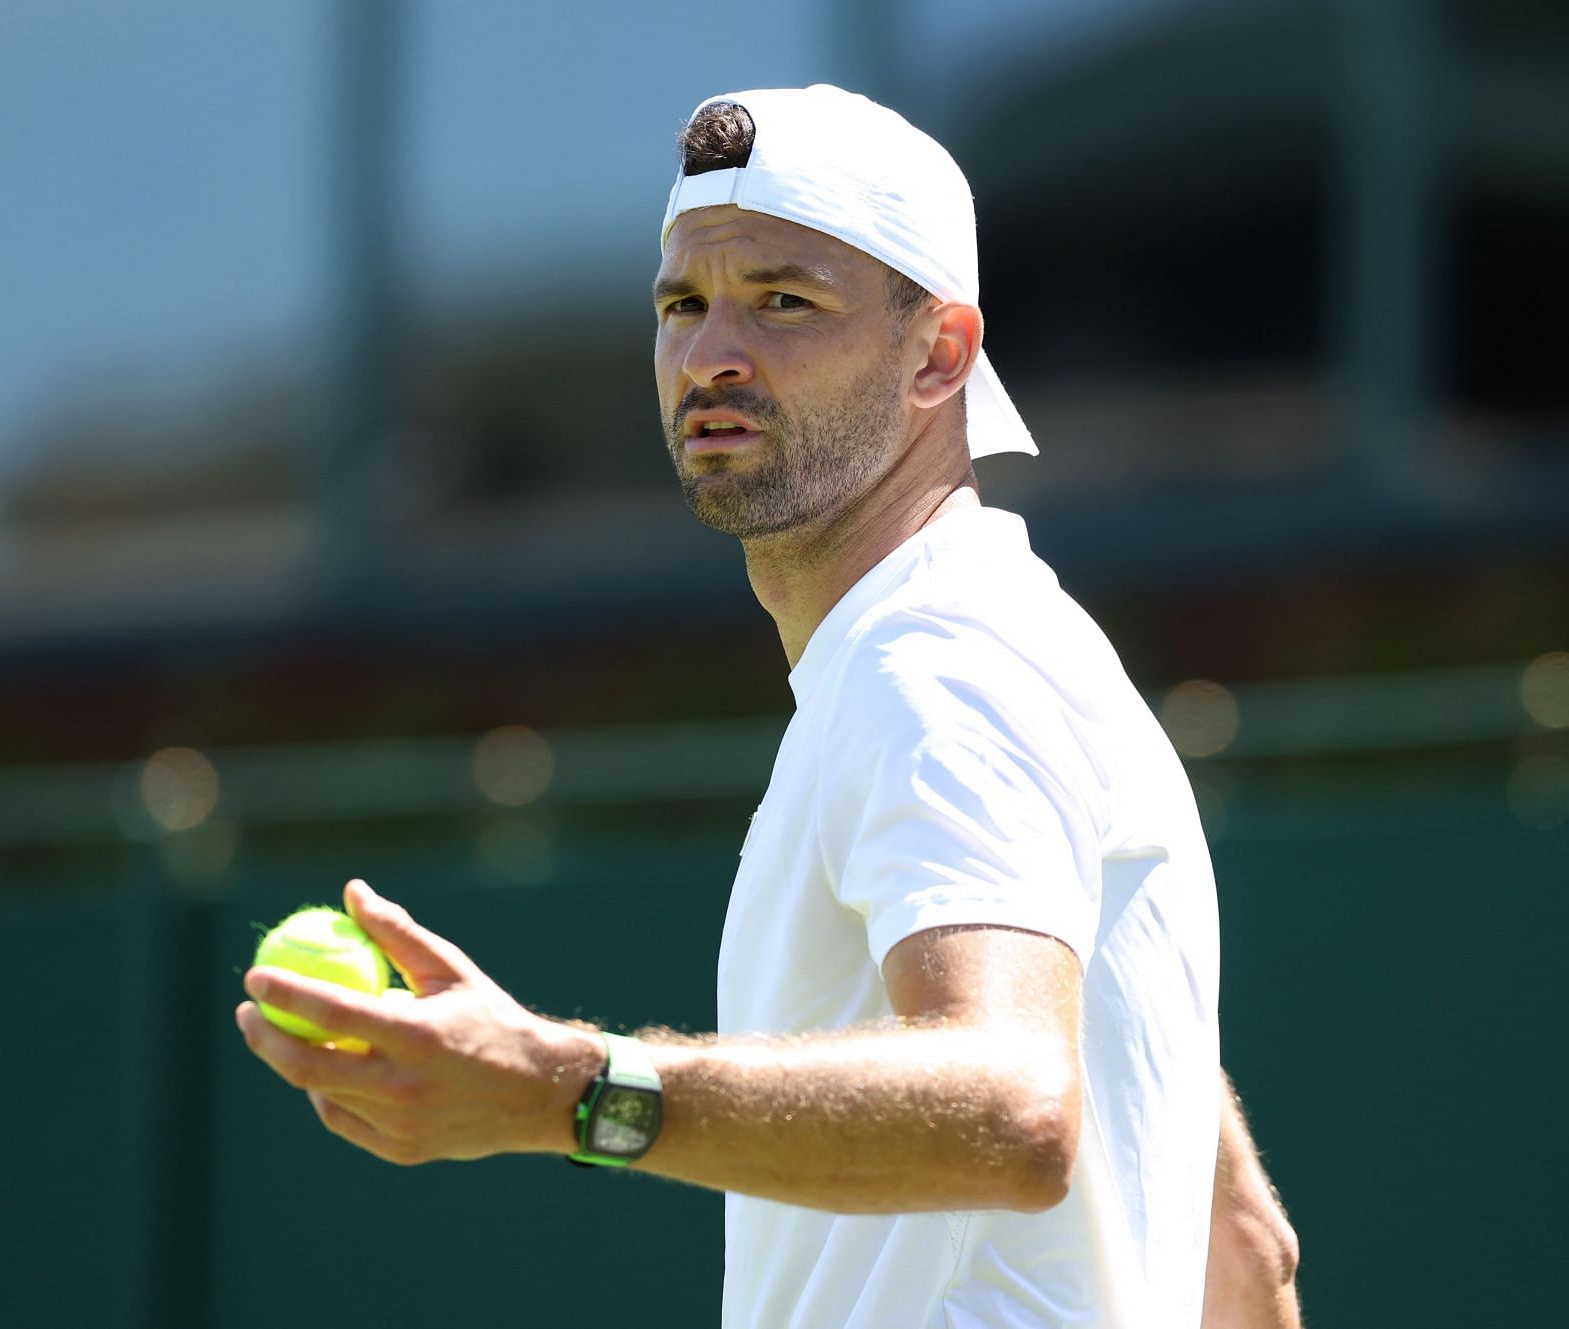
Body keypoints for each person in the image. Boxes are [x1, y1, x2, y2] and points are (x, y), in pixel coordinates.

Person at [236, 85, 1300, 1328]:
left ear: (937, 355)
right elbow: (1245, 1251)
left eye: (784, 301)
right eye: (683, 304)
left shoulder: (938, 660)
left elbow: (1015, 1105)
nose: (711, 353)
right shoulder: (1011, 647)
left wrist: (562, 1088)